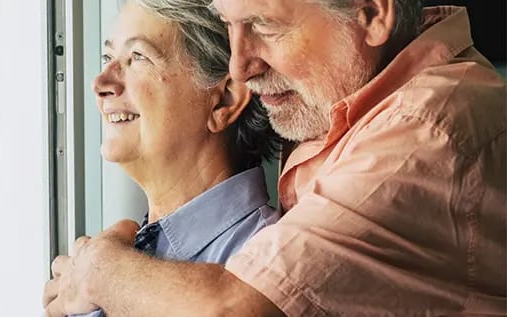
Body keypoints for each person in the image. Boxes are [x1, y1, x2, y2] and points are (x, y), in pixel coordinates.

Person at [43, 0, 506, 315]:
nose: (241, 65)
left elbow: (235, 308)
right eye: (230, 25)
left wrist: (98, 271)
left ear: (370, 13)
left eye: (264, 24)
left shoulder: (423, 128)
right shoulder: (343, 99)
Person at [43, 0, 284, 316]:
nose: (100, 84)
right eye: (108, 57)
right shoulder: (102, 259)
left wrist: (98, 273)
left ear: (224, 100)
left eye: (137, 57)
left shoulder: (270, 266)